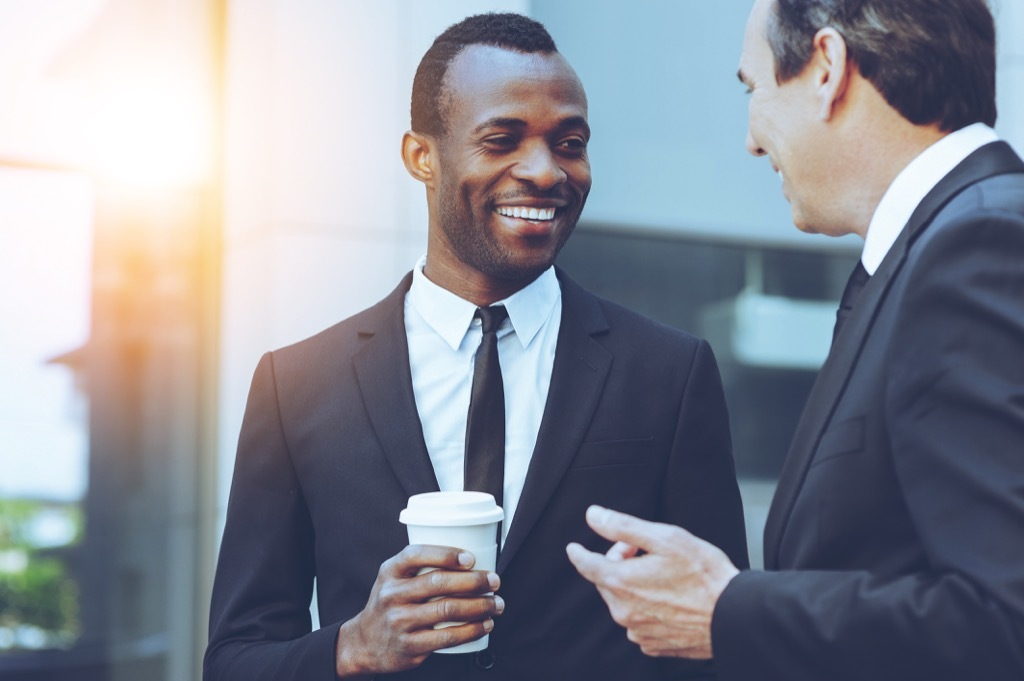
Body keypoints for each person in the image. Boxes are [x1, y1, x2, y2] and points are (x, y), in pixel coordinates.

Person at [204, 12, 748, 681]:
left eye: (570, 142)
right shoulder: (298, 384)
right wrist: (353, 645)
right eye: (503, 139)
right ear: (421, 156)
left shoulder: (670, 373)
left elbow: (723, 639)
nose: (547, 171)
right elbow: (234, 659)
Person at [567, 0, 1024, 679]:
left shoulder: (976, 247)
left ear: (827, 68)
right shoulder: (937, 249)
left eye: (753, 89)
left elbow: (1004, 620)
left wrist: (726, 609)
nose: (750, 140)